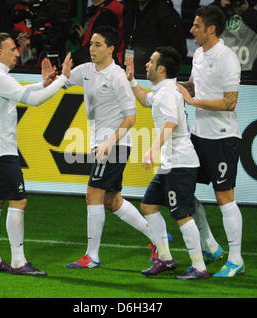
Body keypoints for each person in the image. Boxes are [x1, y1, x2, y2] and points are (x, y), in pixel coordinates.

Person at [0, 32, 72, 276]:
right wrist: (63, 80)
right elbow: (35, 101)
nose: (17, 53)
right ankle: (18, 261)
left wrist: (44, 83)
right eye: (12, 49)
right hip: (1, 150)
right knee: (18, 202)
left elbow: (17, 92)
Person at [62, 26, 158, 269]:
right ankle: (158, 238)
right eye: (91, 44)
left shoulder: (117, 77)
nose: (91, 49)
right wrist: (54, 78)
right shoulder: (85, 70)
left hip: (115, 144)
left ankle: (91, 255)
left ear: (111, 49)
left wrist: (108, 142)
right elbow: (61, 83)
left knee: (92, 193)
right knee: (111, 200)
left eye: (97, 45)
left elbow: (131, 118)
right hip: (103, 144)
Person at [126, 47, 209, 280]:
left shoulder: (168, 94)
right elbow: (144, 100)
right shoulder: (163, 90)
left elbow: (171, 122)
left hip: (179, 163)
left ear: (161, 69)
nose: (146, 64)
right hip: (170, 163)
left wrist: (152, 149)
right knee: (149, 205)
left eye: (151, 61)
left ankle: (199, 267)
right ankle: (165, 258)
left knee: (181, 215)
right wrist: (132, 81)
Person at [177, 4, 244, 278]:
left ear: (211, 29)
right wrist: (175, 87)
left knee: (224, 198)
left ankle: (236, 259)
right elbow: (195, 86)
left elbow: (230, 102)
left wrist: (194, 101)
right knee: (183, 189)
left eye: (196, 26)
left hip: (222, 138)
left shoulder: (227, 58)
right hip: (198, 135)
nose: (192, 30)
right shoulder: (199, 55)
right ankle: (212, 246)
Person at [123, 0, 187, 76]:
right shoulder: (129, 7)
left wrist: (161, 69)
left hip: (156, 76)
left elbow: (179, 49)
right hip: (132, 70)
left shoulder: (165, 12)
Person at [71, 0, 125, 67]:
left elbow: (100, 45)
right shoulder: (104, 8)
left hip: (102, 66)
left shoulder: (109, 11)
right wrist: (83, 38)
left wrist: (72, 58)